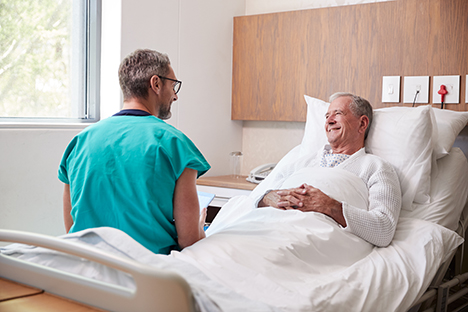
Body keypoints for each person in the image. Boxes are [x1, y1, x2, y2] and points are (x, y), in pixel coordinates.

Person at [58, 49, 211, 254]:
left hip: (88, 270)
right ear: (156, 84)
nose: (175, 95)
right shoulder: (175, 144)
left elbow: (72, 230)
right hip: (148, 274)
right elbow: (189, 240)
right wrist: (200, 228)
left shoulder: (79, 142)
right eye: (173, 86)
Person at [256, 92, 401, 247]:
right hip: (267, 230)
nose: (329, 121)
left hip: (309, 241)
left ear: (362, 124)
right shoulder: (299, 163)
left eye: (337, 114)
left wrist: (329, 206)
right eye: (326, 117)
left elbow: (383, 230)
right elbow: (256, 199)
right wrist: (269, 199)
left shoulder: (376, 167)